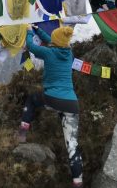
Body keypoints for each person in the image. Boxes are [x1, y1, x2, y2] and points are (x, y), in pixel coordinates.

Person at [18, 24, 83, 187]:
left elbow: (32, 46)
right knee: (73, 146)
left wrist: (28, 31)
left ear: (56, 42)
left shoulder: (48, 53)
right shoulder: (69, 53)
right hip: (71, 105)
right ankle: (78, 182)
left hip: (52, 98)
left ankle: (22, 133)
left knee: (32, 99)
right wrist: (38, 30)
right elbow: (52, 41)